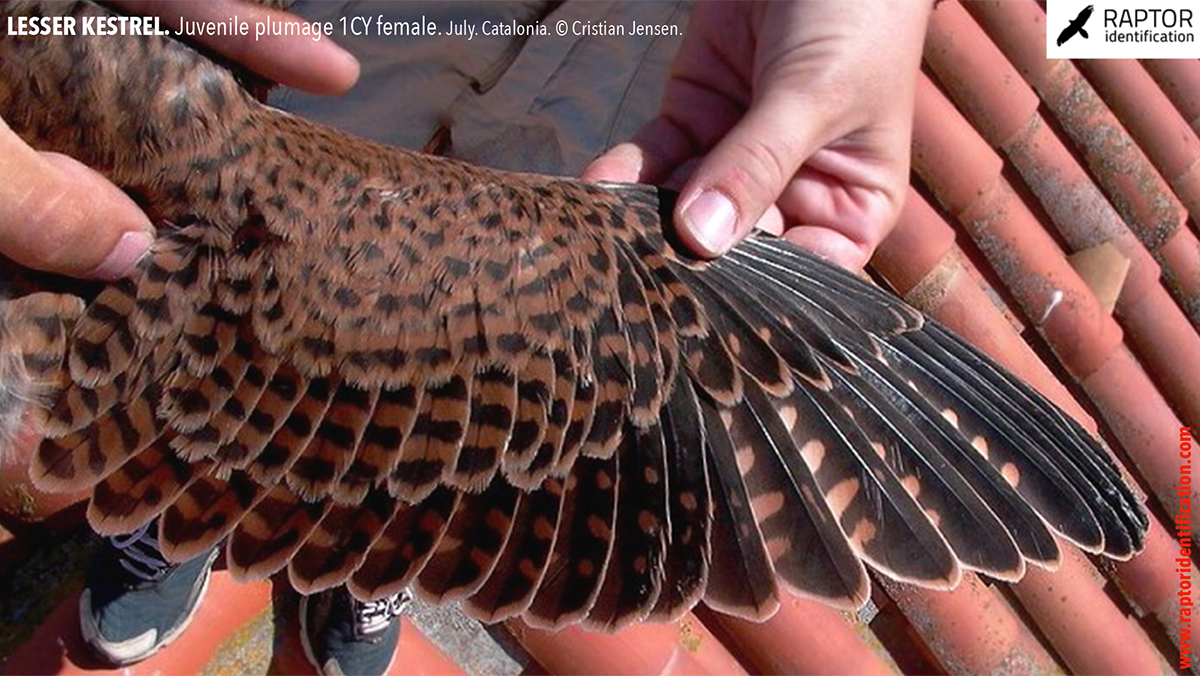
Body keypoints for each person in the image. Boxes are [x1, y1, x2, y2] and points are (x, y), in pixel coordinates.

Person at [0, 1, 929, 674]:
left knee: (563, 303)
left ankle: (379, 539)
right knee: (250, 235)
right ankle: (180, 495)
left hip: (661, 40)